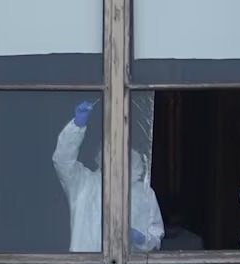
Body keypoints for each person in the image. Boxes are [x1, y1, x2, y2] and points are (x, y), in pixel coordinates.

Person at [53, 101, 164, 254]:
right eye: (111, 151)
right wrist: (77, 126)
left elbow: (155, 237)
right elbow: (62, 160)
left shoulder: (144, 193)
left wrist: (141, 239)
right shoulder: (83, 182)